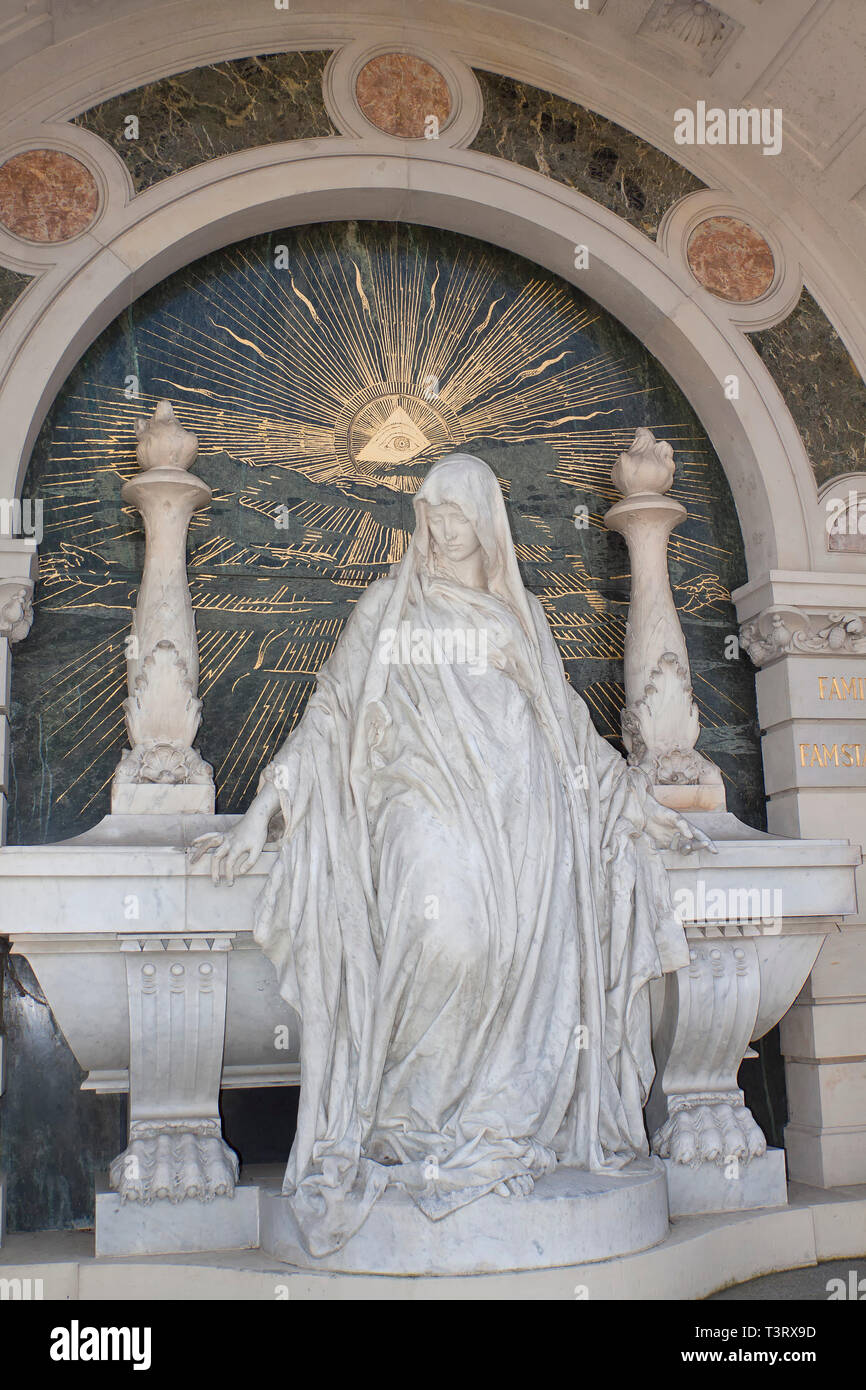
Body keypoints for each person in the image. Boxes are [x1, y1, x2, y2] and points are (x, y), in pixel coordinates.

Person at [191, 452, 714, 1256]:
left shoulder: (521, 616)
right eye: (429, 517)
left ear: (486, 525)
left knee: (510, 953)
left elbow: (568, 727)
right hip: (418, 803)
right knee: (449, 939)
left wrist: (639, 808)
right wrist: (266, 809)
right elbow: (330, 712)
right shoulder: (387, 608)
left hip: (523, 820)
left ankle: (494, 1120)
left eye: (455, 517)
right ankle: (407, 1125)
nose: (439, 531)